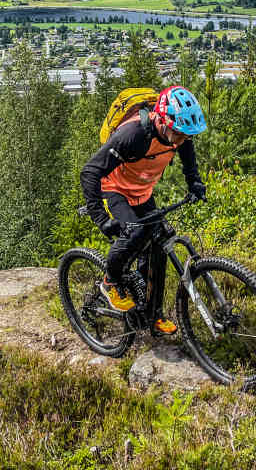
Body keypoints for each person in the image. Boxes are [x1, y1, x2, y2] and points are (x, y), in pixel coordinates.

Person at [80, 85, 207, 335]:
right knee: (135, 233)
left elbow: (188, 159)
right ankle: (110, 281)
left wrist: (194, 182)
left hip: (142, 191)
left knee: (158, 246)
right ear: (162, 120)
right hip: (115, 189)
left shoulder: (178, 133)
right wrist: (101, 219)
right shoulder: (133, 134)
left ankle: (152, 314)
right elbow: (90, 172)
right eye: (179, 134)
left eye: (186, 136)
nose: (182, 140)